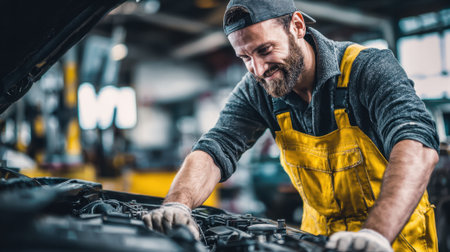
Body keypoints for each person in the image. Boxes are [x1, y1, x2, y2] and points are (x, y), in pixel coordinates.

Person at [142, 0, 440, 251]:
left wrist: (374, 235)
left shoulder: (368, 69)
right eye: (244, 57)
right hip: (320, 242)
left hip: (393, 240)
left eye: (265, 50)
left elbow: (416, 144)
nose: (257, 69)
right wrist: (178, 204)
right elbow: (216, 146)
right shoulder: (258, 89)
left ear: (297, 26)